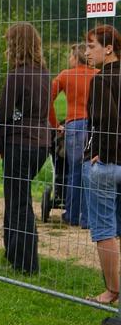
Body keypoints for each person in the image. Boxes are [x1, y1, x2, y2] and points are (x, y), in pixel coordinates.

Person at [0, 22, 51, 274]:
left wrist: (1, 128)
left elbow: (4, 113)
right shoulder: (44, 73)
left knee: (18, 201)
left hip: (20, 142)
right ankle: (13, 252)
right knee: (20, 197)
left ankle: (26, 262)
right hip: (42, 143)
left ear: (16, 45)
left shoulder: (17, 75)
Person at [81, 24, 121, 305]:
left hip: (109, 164)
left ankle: (112, 290)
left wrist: (101, 154)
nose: (87, 52)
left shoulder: (102, 79)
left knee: (104, 228)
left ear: (108, 49)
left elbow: (106, 121)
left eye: (91, 46)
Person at [49, 44, 99, 228]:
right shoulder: (99, 74)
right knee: (91, 171)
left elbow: (47, 100)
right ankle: (88, 219)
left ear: (76, 57)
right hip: (95, 126)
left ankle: (72, 215)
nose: (69, 59)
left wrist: (56, 124)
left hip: (74, 125)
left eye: (71, 56)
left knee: (74, 171)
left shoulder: (65, 75)